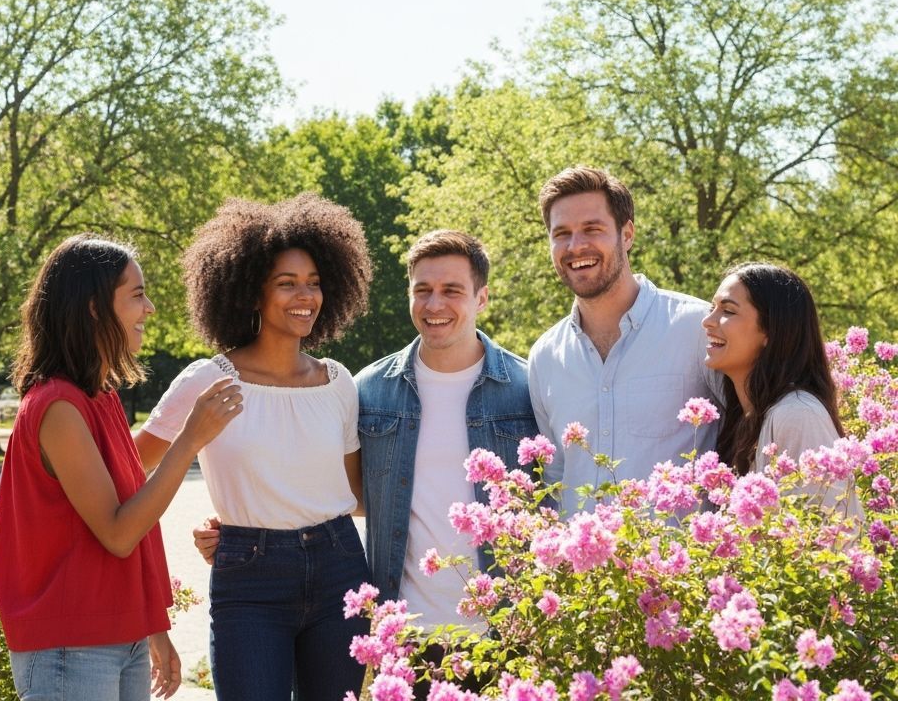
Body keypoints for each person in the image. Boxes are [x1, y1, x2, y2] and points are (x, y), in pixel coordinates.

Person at [135, 193, 373, 701]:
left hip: (339, 571)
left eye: (313, 283)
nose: (304, 295)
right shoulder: (209, 380)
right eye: (286, 284)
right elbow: (128, 467)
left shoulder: (339, 383)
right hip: (250, 580)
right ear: (250, 294)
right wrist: (233, 527)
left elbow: (353, 494)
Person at [0, 234, 241, 701]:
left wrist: (151, 626)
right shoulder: (58, 407)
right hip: (69, 647)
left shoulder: (97, 396)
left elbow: (129, 487)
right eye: (137, 295)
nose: (148, 309)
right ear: (92, 308)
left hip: (113, 636)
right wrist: (191, 438)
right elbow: (119, 531)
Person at [355, 231, 537, 651]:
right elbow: (342, 495)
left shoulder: (527, 389)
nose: (434, 305)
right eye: (423, 291)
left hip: (507, 634)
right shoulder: (370, 391)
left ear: (482, 298)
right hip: (405, 637)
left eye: (451, 290)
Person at [528, 166, 722, 513]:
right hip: (581, 569)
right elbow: (554, 481)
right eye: (562, 234)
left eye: (592, 228)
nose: (576, 246)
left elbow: (744, 440)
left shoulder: (698, 328)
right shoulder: (544, 357)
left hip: (682, 565)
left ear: (627, 233)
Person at [703, 262, 861, 514]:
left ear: (771, 330)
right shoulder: (746, 420)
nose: (707, 321)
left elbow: (832, 537)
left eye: (728, 311)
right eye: (712, 308)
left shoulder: (797, 414)